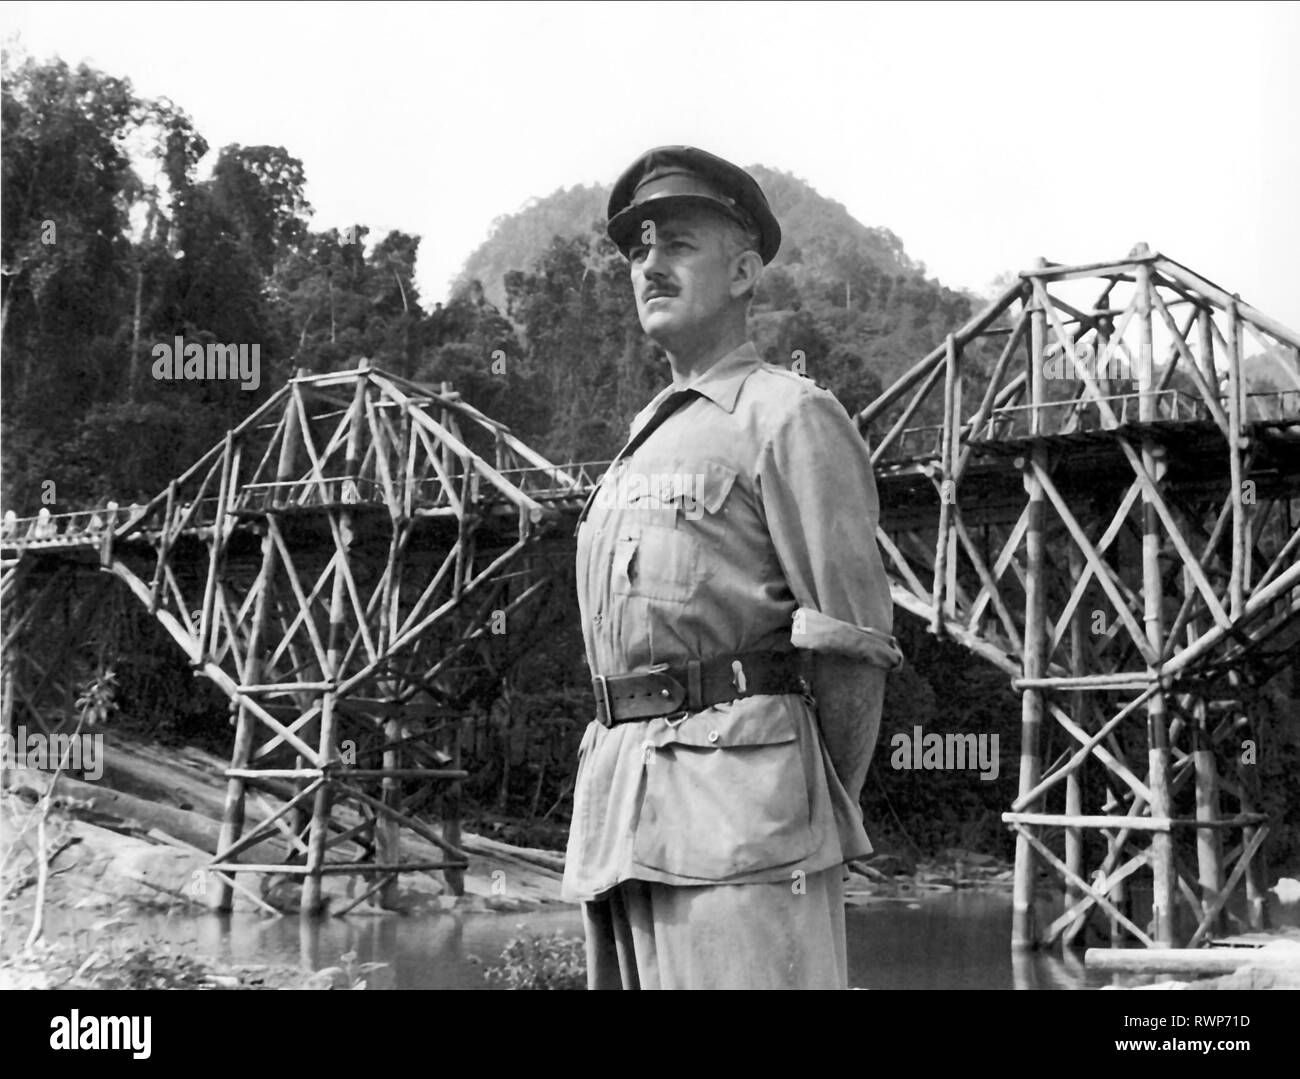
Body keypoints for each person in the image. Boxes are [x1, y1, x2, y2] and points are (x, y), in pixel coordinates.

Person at [561, 146, 903, 990]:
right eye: (639, 251)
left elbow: (850, 643)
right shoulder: (643, 437)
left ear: (745, 270)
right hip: (620, 816)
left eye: (677, 244)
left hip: (745, 823)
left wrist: (810, 807)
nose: (650, 265)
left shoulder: (789, 416)